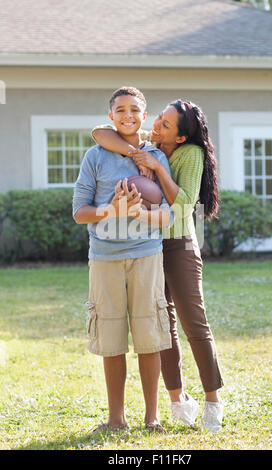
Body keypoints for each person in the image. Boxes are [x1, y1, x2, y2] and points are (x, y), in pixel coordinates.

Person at [92, 98, 224, 432]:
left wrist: (159, 168)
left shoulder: (189, 154)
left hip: (177, 242)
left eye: (165, 124)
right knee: (162, 326)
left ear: (180, 137)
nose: (157, 126)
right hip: (150, 245)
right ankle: (177, 400)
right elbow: (99, 133)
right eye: (160, 119)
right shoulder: (147, 146)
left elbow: (182, 206)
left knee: (194, 324)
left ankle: (212, 402)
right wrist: (137, 155)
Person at [73, 86, 174, 433]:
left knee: (150, 336)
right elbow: (79, 212)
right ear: (111, 116)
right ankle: (117, 419)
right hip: (104, 259)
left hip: (146, 255)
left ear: (144, 116)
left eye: (134, 110)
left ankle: (152, 416)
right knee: (111, 339)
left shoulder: (156, 158)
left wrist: (140, 214)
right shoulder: (95, 156)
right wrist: (110, 210)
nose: (127, 115)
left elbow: (168, 217)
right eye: (120, 110)